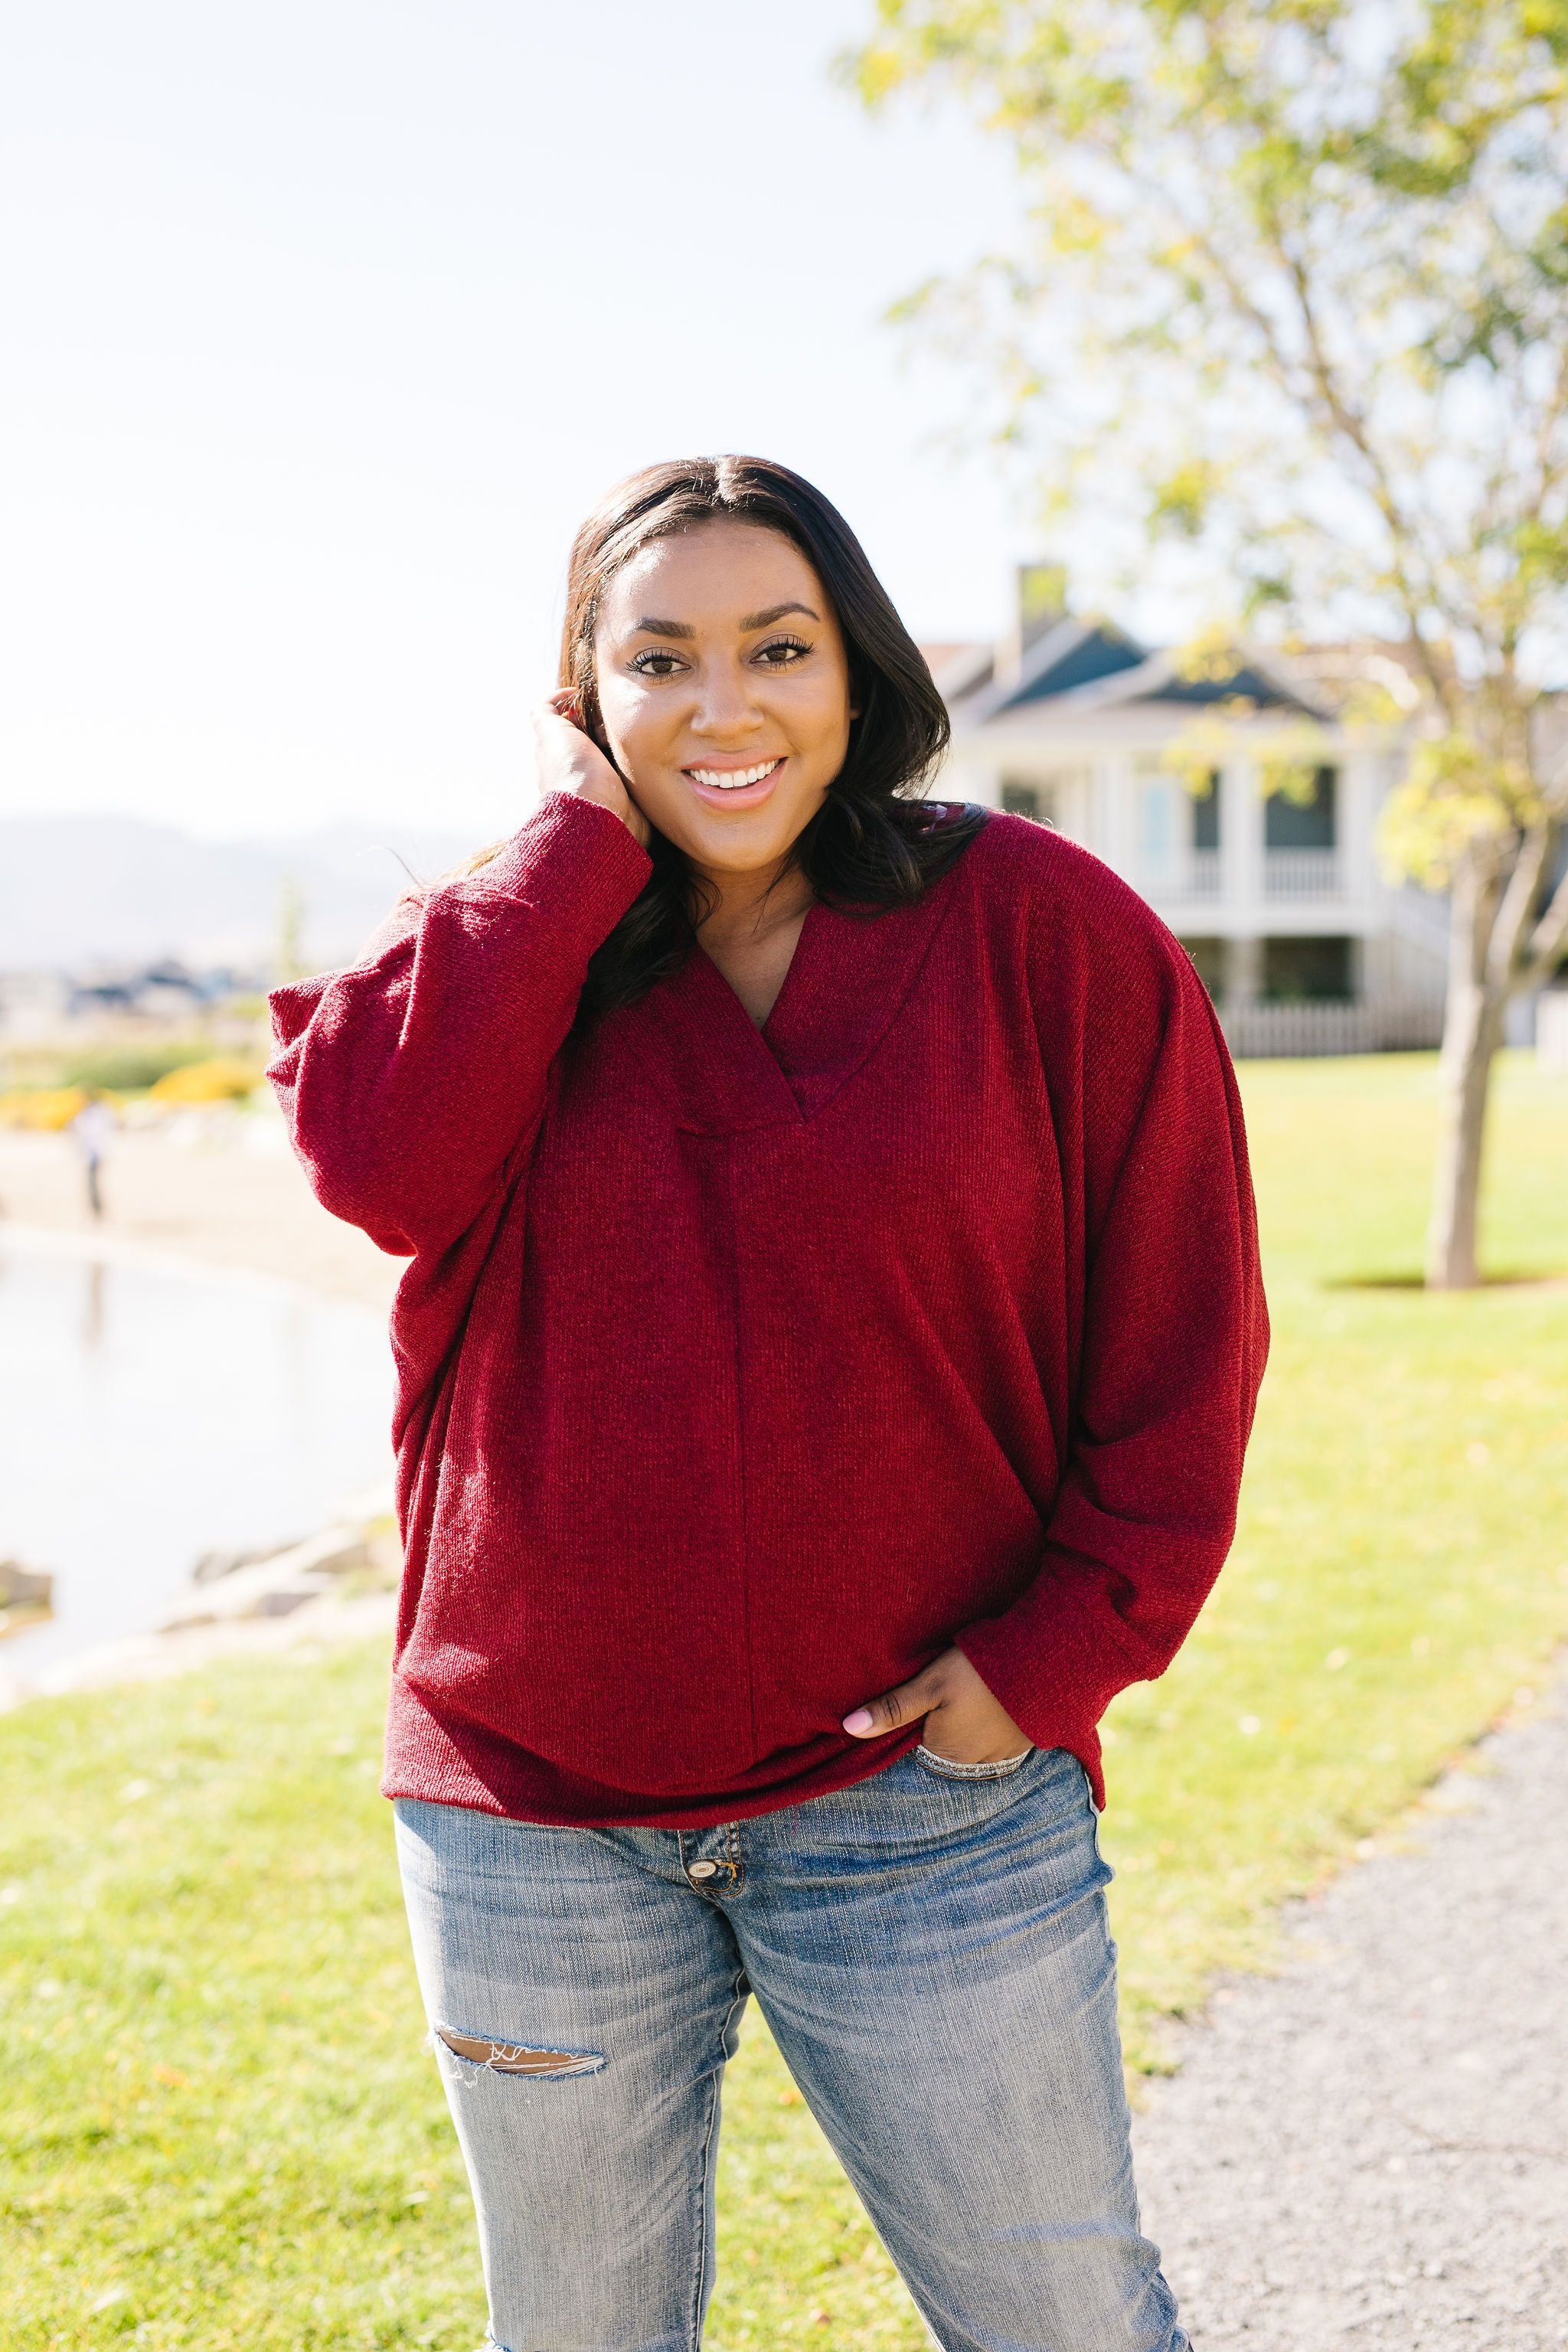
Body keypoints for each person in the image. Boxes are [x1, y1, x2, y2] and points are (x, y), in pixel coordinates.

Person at [268, 456, 1268, 2352]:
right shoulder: (506, 945)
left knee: (1063, 2322)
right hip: (535, 1821)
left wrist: (1055, 1657)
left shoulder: (1044, 930)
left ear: (856, 668)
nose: (721, 707)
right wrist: (565, 853)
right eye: (658, 659)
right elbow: (378, 1164)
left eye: (776, 648)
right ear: (583, 694)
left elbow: (1182, 1340)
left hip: (924, 1803)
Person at [69, 1089, 114, 1221]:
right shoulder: (84, 1115)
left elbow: (97, 1135)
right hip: (90, 1154)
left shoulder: (96, 1115)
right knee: (91, 1185)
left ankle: (97, 1211)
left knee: (93, 1185)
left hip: (96, 1154)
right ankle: (95, 1211)